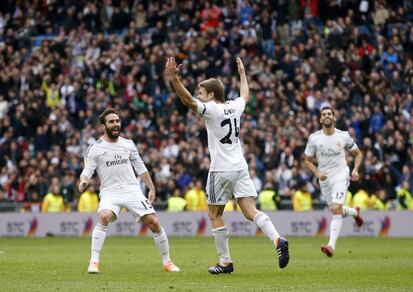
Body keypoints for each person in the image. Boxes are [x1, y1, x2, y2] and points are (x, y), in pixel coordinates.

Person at [165, 56, 290, 273]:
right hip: (240, 166)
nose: (198, 96)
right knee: (250, 211)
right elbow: (245, 95)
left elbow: (187, 101)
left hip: (220, 169)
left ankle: (225, 262)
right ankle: (278, 239)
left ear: (211, 95)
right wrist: (242, 74)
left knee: (215, 214)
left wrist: (175, 79)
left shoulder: (212, 110)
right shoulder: (234, 107)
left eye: (201, 93)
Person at [78, 108, 180, 274]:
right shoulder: (95, 148)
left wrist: (151, 187)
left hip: (132, 191)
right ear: (103, 126)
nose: (116, 124)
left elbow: (141, 168)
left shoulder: (128, 144)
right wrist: (83, 182)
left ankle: (167, 262)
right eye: (111, 121)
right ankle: (94, 262)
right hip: (110, 192)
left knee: (154, 222)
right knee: (104, 216)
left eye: (117, 121)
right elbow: (87, 171)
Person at [304, 105, 364, 257]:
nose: (326, 116)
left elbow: (358, 154)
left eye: (329, 113)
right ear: (320, 119)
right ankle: (354, 212)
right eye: (323, 114)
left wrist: (356, 169)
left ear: (334, 117)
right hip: (324, 178)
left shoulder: (343, 136)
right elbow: (307, 161)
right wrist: (317, 173)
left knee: (336, 209)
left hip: (340, 175)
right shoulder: (314, 138)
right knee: (336, 210)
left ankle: (331, 246)